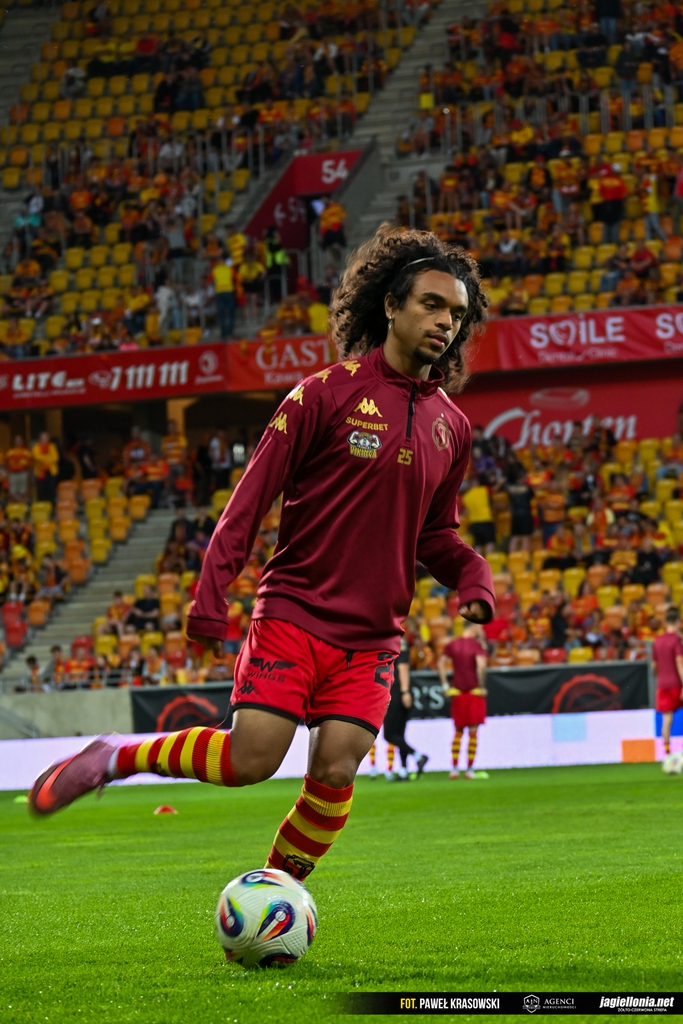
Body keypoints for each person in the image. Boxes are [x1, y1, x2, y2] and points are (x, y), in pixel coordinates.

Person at [28, 225, 494, 886]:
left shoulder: (454, 427)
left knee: (336, 767)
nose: (445, 322)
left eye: (456, 313)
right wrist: (208, 599)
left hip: (372, 635)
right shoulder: (323, 395)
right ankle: (113, 758)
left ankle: (276, 898)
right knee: (251, 759)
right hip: (295, 612)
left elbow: (435, 536)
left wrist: (473, 576)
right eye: (431, 304)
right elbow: (248, 503)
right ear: (391, 306)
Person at [438, 623, 488, 780]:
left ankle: (454, 769)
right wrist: (482, 686)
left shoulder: (453, 644)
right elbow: (481, 666)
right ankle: (470, 769)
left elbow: (440, 663)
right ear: (473, 627)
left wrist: (445, 685)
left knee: (458, 731)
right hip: (473, 693)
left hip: (458, 693)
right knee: (473, 732)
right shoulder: (476, 645)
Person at [382, 637, 428, 781]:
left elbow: (403, 667)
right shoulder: (396, 642)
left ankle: (418, 756)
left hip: (397, 693)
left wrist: (404, 691)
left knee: (389, 735)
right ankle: (403, 770)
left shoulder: (395, 642)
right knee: (399, 735)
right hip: (398, 692)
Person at [653, 606, 683, 757]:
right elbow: (679, 662)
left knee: (667, 720)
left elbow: (654, 666)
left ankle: (667, 754)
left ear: (665, 622)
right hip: (677, 684)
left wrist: (660, 677)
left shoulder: (657, 640)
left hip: (662, 685)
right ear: (678, 621)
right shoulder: (677, 640)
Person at [32, 432, 59, 504]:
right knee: (41, 490)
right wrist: (48, 459)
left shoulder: (52, 446)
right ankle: (42, 506)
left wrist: (44, 459)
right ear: (40, 438)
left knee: (51, 489)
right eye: (43, 437)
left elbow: (55, 458)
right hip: (40, 472)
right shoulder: (36, 447)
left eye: (46, 437)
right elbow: (37, 457)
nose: (45, 439)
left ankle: (52, 505)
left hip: (51, 472)